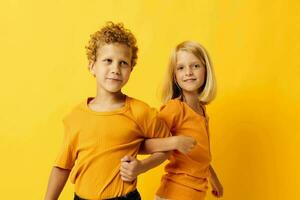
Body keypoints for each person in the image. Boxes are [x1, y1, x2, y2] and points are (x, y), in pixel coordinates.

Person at [44, 22, 196, 200]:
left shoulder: (141, 111)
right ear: (92, 66)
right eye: (108, 61)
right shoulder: (76, 116)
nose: (115, 69)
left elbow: (167, 147)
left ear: (131, 69)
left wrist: (141, 166)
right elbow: (62, 166)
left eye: (123, 63)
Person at [120, 41, 223, 200]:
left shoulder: (201, 111)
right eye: (181, 68)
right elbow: (143, 143)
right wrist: (175, 142)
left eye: (195, 66)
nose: (188, 72)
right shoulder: (175, 108)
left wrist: (215, 181)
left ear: (206, 70)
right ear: (175, 76)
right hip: (174, 194)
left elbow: (201, 156)